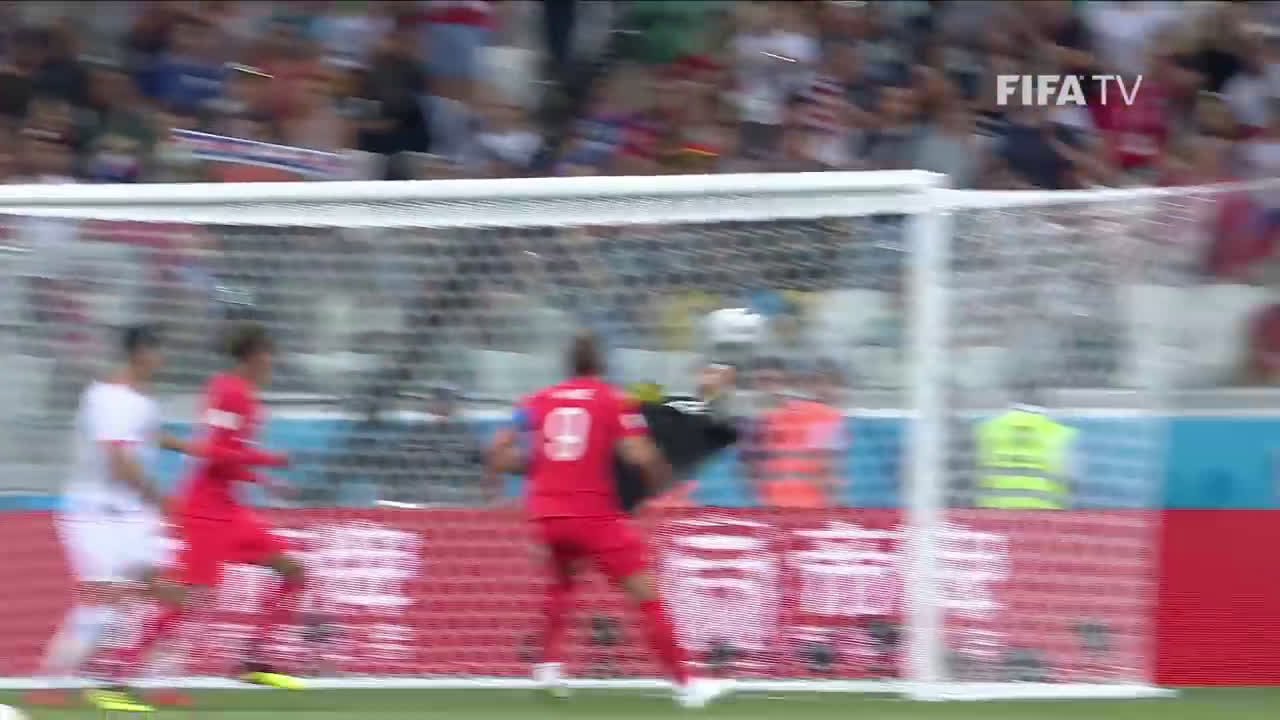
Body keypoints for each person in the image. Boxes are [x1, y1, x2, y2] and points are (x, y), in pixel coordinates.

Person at [486, 333, 727, 708]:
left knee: (562, 584)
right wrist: (659, 480)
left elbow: (498, 449)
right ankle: (689, 686)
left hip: (547, 514)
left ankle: (547, 667)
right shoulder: (613, 400)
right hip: (592, 515)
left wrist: (527, 471)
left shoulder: (537, 400)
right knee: (647, 595)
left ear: (568, 365)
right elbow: (639, 454)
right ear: (601, 365)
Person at [110, 322, 306, 696]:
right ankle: (120, 671)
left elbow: (227, 459)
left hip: (230, 509)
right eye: (269, 354)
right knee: (188, 598)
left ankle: (252, 660)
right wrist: (269, 461)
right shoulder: (230, 393)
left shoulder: (244, 398)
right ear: (253, 356)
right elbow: (215, 455)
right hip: (204, 511)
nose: (272, 362)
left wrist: (265, 481)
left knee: (293, 572)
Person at [28, 326, 186, 712]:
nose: (163, 360)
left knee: (167, 588)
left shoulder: (142, 402)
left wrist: (195, 447)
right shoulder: (108, 398)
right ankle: (50, 682)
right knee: (101, 601)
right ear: (141, 353)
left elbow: (150, 437)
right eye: (158, 351)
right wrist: (160, 498)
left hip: (132, 515)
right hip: (94, 514)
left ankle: (159, 679)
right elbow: (119, 463)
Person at [973, 386, 1077, 510]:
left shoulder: (986, 430)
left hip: (994, 512)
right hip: (1045, 512)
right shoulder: (1061, 434)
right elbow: (1070, 480)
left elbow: (976, 475)